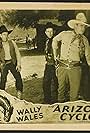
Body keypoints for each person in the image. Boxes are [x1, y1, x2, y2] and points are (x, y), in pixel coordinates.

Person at [52, 13, 90, 102]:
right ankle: (61, 111)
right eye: (81, 26)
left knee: (74, 93)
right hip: (62, 67)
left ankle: (72, 110)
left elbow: (88, 56)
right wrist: (55, 53)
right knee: (61, 90)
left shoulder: (84, 40)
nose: (83, 28)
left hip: (75, 68)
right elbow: (54, 40)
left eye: (84, 26)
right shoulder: (64, 34)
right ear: (75, 26)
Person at [0, 25, 23, 99]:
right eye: (4, 35)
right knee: (3, 80)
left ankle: (19, 95)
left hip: (12, 63)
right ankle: (2, 97)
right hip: (4, 64)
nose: (5, 36)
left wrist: (18, 64)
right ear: (0, 35)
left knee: (18, 78)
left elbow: (17, 53)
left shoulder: (12, 42)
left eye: (7, 35)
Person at [43, 22, 58, 104]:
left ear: (54, 32)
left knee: (56, 83)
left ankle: (56, 101)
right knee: (46, 83)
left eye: (51, 31)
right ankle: (47, 100)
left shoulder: (56, 41)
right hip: (48, 65)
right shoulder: (47, 41)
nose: (50, 33)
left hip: (55, 65)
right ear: (45, 32)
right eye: (48, 31)